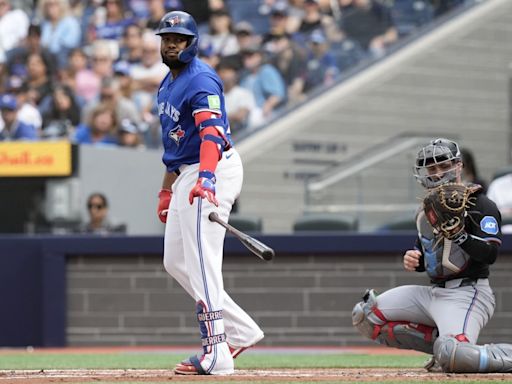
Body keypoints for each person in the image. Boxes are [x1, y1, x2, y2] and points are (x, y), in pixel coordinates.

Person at [154, 11, 264, 375]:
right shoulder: (167, 84)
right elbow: (175, 143)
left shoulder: (201, 80)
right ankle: (241, 330)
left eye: (178, 38)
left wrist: (207, 178)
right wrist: (166, 191)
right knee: (177, 261)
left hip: (214, 167)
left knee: (202, 261)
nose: (171, 43)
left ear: (191, 42)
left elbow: (211, 136)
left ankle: (216, 354)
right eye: (166, 38)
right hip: (187, 172)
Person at [352, 138, 512, 373]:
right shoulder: (428, 209)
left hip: (468, 293)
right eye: (431, 168)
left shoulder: (481, 203)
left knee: (457, 359)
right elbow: (431, 257)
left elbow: (489, 254)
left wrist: (460, 235)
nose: (437, 173)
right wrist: (415, 259)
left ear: (458, 166)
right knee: (366, 316)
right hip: (434, 292)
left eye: (443, 165)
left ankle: (461, 350)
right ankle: (443, 345)